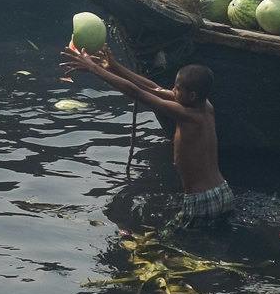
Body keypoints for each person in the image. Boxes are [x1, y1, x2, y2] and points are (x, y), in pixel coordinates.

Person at [64, 48, 231, 228]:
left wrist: (93, 68)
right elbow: (153, 88)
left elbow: (137, 93)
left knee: (170, 244)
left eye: (177, 88)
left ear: (191, 95)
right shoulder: (205, 106)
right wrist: (114, 67)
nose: (173, 90)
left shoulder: (187, 115)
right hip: (222, 191)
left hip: (201, 200)